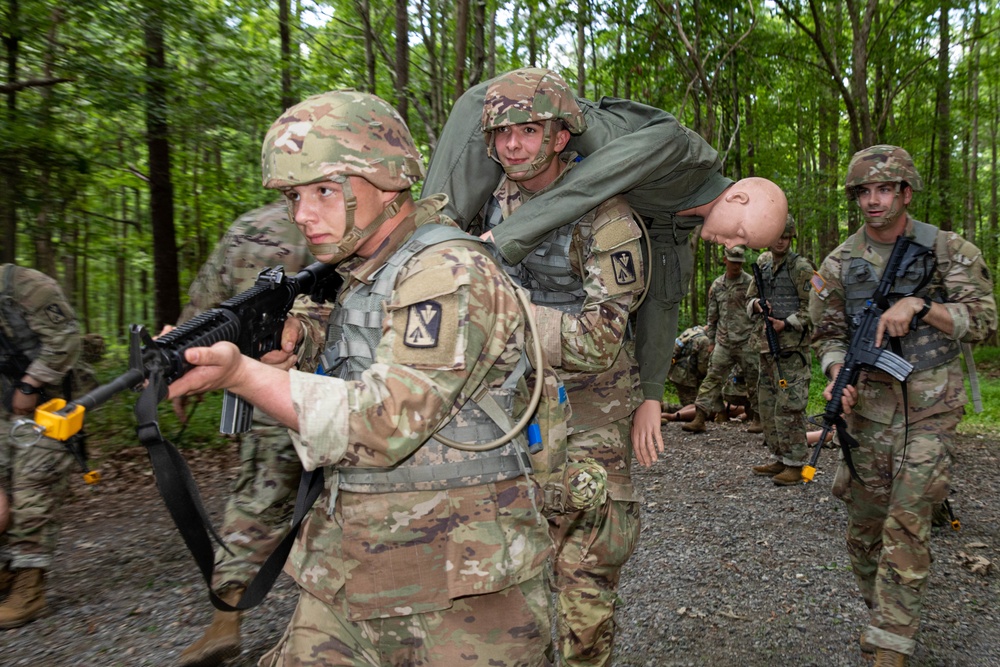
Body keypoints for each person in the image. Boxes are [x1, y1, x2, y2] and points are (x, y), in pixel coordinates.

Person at [167, 90, 555, 666]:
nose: (302, 214)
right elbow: (375, 345)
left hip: (464, 594)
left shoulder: (448, 270)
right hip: (357, 572)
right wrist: (308, 339)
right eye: (295, 195)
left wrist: (243, 376)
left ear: (389, 181)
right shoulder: (366, 272)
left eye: (324, 190)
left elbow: (383, 420)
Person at [422, 84, 788, 468]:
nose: (734, 245)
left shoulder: (678, 219)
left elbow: (663, 303)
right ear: (738, 198)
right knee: (428, 245)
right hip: (508, 105)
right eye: (741, 234)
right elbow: (590, 183)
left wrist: (649, 396)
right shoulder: (675, 148)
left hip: (534, 157)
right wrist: (501, 239)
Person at [476, 67, 643, 666]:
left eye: (528, 129)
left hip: (589, 409)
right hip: (513, 408)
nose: (512, 144)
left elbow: (601, 339)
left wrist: (504, 320)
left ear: (561, 136)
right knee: (509, 564)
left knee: (584, 574)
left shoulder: (606, 215)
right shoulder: (488, 205)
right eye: (502, 133)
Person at [809, 145, 996, 666]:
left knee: (907, 523)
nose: (873, 200)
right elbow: (826, 334)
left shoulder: (949, 250)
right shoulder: (840, 262)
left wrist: (922, 307)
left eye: (884, 189)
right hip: (867, 412)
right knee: (864, 532)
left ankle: (893, 642)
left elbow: (984, 322)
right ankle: (882, 615)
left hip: (930, 408)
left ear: (906, 192)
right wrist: (834, 376)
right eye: (864, 191)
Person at [175, 202, 325, 667]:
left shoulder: (247, 228)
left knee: (257, 496)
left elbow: (207, 302)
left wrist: (184, 359)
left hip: (265, 383)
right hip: (337, 382)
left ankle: (227, 623)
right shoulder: (343, 212)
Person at [0, 263, 81, 628]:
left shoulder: (26, 286)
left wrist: (31, 384)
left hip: (51, 403)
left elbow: (67, 338)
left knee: (32, 488)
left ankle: (30, 588)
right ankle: (6, 571)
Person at [747, 216, 815, 486]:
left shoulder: (802, 268)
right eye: (776, 235)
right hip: (766, 347)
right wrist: (757, 307)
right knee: (767, 405)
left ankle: (797, 463)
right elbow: (749, 298)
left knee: (789, 407)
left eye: (785, 236)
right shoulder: (762, 264)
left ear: (792, 237)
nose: (780, 241)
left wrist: (786, 323)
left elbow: (815, 309)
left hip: (791, 352)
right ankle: (779, 456)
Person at [682, 246, 760, 434]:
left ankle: (758, 419)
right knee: (712, 378)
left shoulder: (750, 283)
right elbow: (712, 317)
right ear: (725, 260)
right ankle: (700, 418)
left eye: (739, 262)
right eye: (733, 261)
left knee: (755, 380)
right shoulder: (717, 286)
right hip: (723, 342)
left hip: (746, 341)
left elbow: (757, 313)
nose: (736, 265)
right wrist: (711, 342)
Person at [667, 325, 712, 407]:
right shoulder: (704, 340)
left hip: (676, 371)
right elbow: (702, 367)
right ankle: (664, 408)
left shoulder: (692, 330)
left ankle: (662, 408)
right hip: (686, 377)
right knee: (691, 407)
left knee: (689, 403)